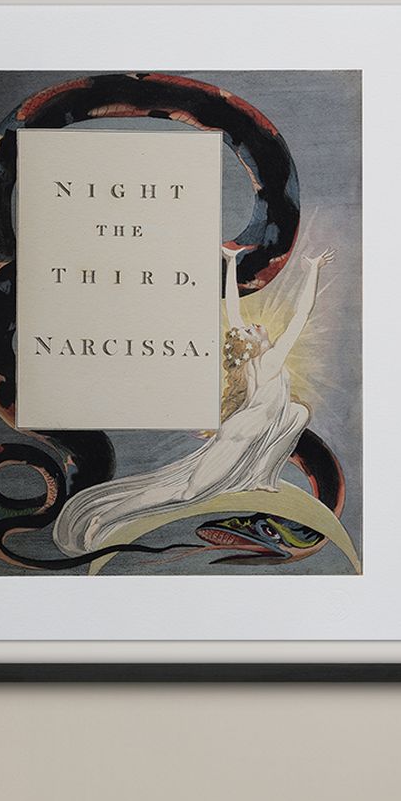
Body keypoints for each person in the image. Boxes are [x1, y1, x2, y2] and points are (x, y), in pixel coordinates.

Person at [50, 238, 329, 562]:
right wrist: (312, 271)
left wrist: (229, 263)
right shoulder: (268, 362)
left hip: (245, 437)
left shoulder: (259, 360)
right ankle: (105, 517)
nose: (254, 325)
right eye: (252, 331)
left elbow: (232, 308)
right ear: (251, 347)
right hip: (237, 442)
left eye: (252, 329)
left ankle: (263, 475)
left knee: (297, 412)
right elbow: (300, 315)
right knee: (186, 492)